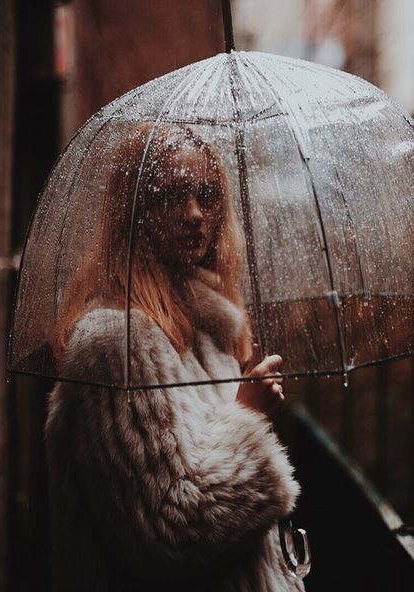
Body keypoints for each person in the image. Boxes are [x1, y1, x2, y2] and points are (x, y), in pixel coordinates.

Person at [45, 123, 305, 592]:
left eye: (207, 195)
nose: (194, 214)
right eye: (170, 195)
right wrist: (247, 415)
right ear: (134, 210)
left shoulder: (208, 327)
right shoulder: (115, 342)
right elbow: (166, 531)